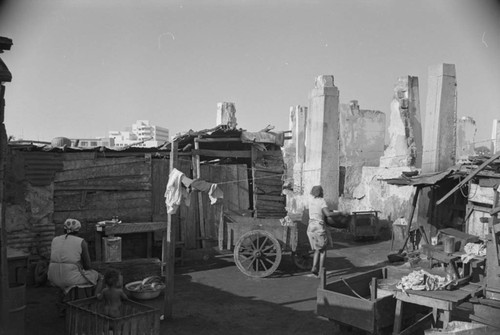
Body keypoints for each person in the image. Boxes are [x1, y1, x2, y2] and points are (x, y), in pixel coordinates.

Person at [47, 218, 100, 309]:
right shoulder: (81, 242)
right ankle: (91, 303)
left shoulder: (55, 240)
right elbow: (88, 266)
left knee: (70, 276)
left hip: (52, 276)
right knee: (98, 277)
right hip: (69, 278)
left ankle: (63, 302)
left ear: (64, 229)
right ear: (78, 230)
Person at [307, 185, 343, 277]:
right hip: (319, 227)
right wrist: (339, 213)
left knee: (317, 249)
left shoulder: (311, 201)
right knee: (323, 250)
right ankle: (321, 272)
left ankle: (314, 267)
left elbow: (317, 211)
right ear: (321, 192)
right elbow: (327, 214)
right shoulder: (322, 201)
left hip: (311, 227)